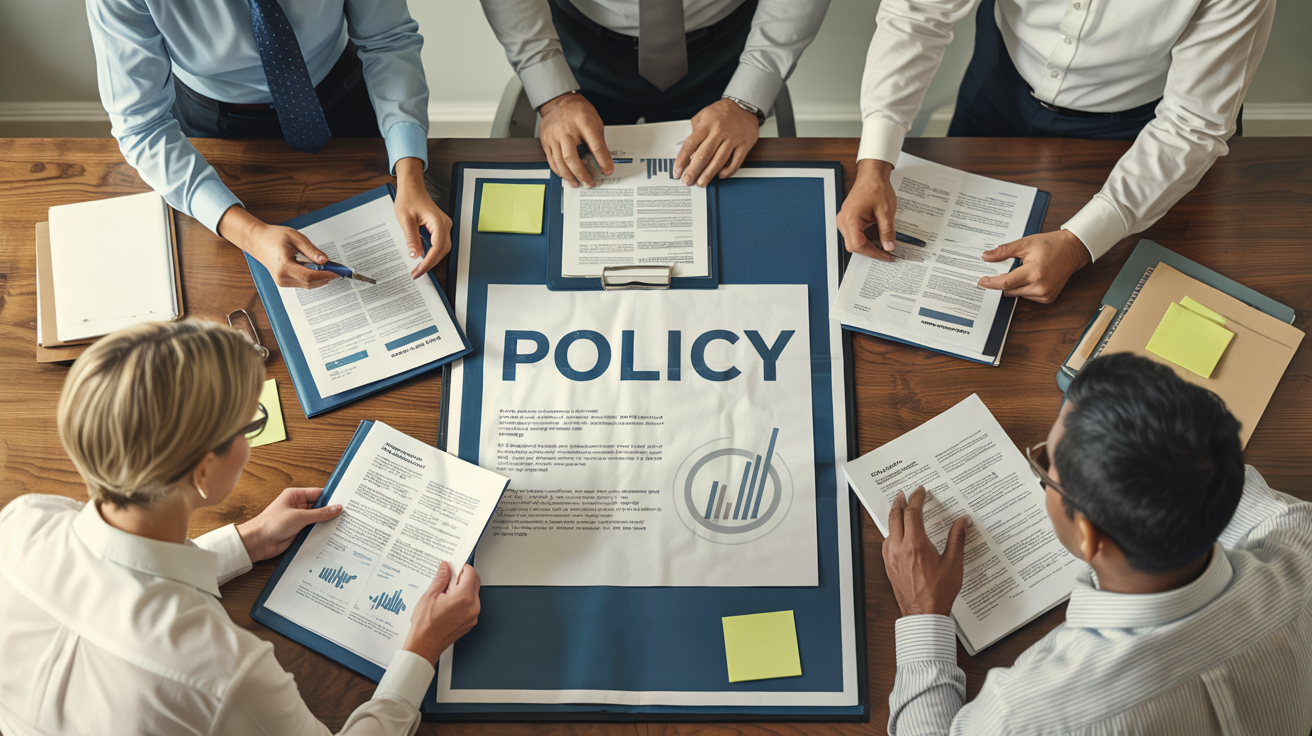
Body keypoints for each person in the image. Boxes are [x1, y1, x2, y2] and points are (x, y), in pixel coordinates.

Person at [0, 319, 480, 735]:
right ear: (203, 472)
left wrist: (247, 541)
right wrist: (422, 646)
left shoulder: (23, 520)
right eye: (247, 425)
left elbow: (122, 575)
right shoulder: (223, 672)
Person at [880, 352, 1312, 734]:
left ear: (1089, 535)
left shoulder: (1025, 715)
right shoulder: (1301, 544)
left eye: (1046, 465)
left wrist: (924, 613)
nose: (1042, 465)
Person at [838, 0, 1275, 304]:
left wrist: (1081, 241)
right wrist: (875, 163)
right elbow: (918, 15)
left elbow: (1192, 125)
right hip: (1001, 79)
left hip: (1138, 129)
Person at [87, 0, 450, 289]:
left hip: (342, 96)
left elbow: (388, 40)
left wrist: (410, 174)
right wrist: (250, 233)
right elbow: (142, 125)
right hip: (215, 129)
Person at [479, 0, 830, 189]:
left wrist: (745, 100)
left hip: (723, 44)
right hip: (581, 41)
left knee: (714, 189)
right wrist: (554, 97)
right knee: (579, 184)